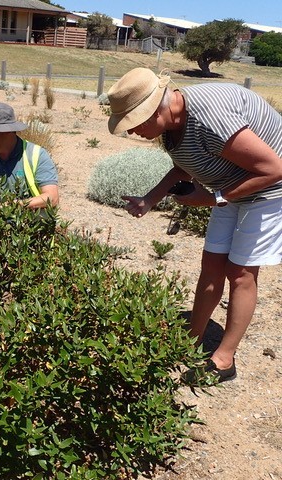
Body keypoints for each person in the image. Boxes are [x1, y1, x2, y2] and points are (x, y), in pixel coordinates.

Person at [107, 67, 282, 383]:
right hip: (230, 187)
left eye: (133, 124)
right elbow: (181, 169)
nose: (132, 132)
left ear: (154, 110)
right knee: (212, 264)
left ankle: (224, 359)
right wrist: (149, 200)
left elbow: (273, 169)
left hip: (268, 190)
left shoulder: (208, 117)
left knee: (241, 272)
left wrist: (214, 197)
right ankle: (192, 339)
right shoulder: (173, 125)